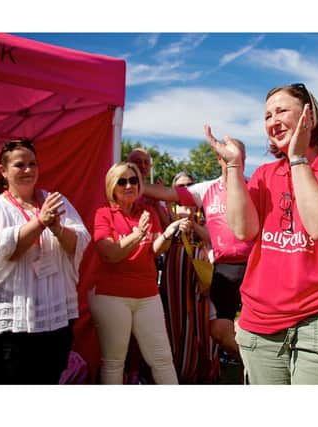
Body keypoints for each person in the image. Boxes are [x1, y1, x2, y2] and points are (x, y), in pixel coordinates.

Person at [205, 82, 318, 384]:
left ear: (309, 114)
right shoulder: (266, 174)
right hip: (261, 320)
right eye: (267, 116)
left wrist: (298, 159)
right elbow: (243, 230)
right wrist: (233, 168)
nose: (272, 121)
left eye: (281, 111)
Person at [0, 139, 91, 384]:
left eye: (32, 164)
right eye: (19, 165)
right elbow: (3, 254)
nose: (28, 170)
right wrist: (40, 222)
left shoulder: (54, 200)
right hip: (13, 325)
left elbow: (80, 243)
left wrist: (57, 229)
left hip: (55, 319)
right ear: (3, 171)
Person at [140, 142, 254, 362]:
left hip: (254, 265)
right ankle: (252, 366)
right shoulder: (207, 189)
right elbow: (168, 192)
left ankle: (260, 375)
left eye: (240, 156)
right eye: (228, 156)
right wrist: (135, 186)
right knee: (218, 330)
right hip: (223, 268)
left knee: (259, 329)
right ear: (220, 159)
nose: (234, 160)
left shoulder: (255, 186)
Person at [88, 161, 188, 385]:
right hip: (111, 295)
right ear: (112, 186)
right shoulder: (103, 214)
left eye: (134, 180)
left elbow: (153, 250)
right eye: (122, 181)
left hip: (147, 294)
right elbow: (110, 254)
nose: (128, 185)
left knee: (162, 359)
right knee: (114, 362)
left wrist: (168, 234)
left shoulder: (148, 212)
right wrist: (138, 234)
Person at [158, 171, 220, 383]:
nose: (185, 189)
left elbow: (214, 238)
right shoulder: (169, 212)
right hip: (176, 271)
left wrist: (193, 224)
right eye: (181, 185)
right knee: (176, 317)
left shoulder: (205, 212)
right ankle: (180, 368)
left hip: (200, 270)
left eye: (190, 185)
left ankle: (204, 367)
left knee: (201, 318)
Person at [127, 147, 171, 228]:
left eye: (146, 162)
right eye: (138, 162)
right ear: (128, 164)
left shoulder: (156, 191)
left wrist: (156, 202)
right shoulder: (122, 189)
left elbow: (167, 226)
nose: (143, 166)